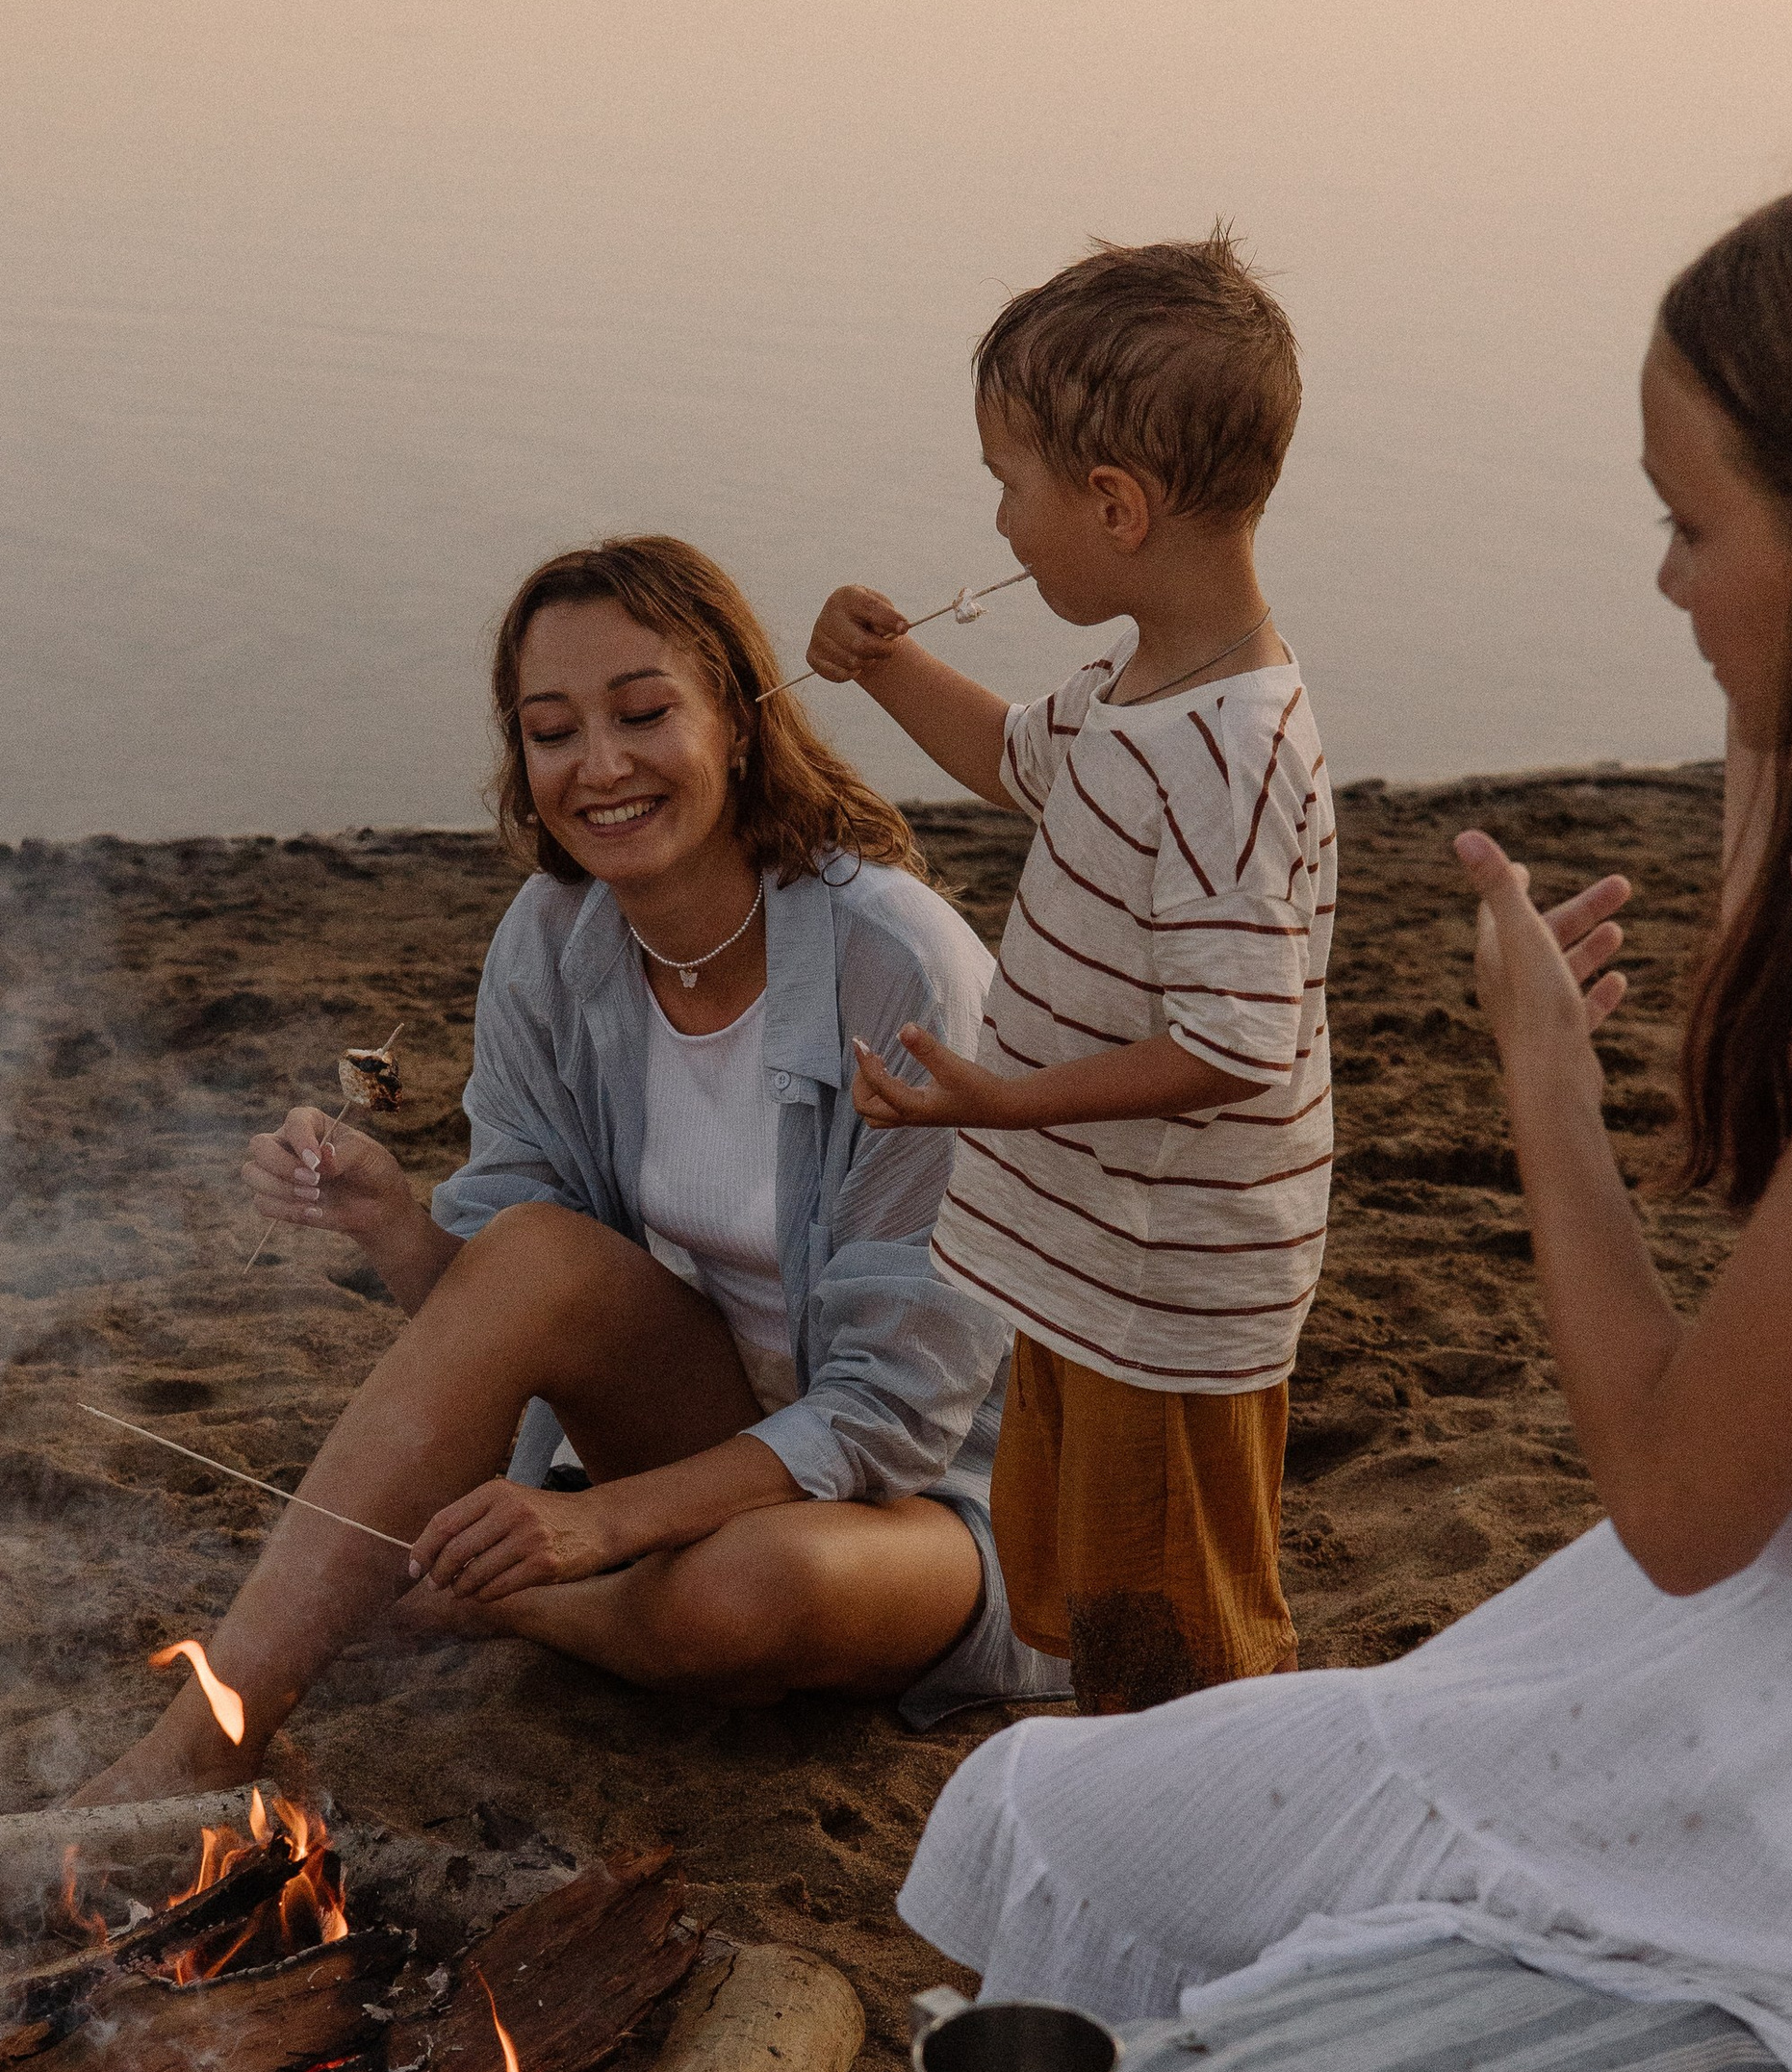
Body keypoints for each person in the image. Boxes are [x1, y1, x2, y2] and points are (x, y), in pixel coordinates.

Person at [899, 145, 1792, 2072]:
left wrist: (1535, 1085)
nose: (1661, 581)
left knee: (1045, 1819)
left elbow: (1683, 1505)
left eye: (1689, 527)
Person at [79, 537, 1064, 1805]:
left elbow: (891, 1419)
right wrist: (390, 1225)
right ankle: (206, 1738)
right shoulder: (554, 942)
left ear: (741, 720)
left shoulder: (898, 968)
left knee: (747, 1591)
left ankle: (511, 1606)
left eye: (645, 714)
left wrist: (588, 1528)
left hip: (947, 1497)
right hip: (708, 1428)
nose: (599, 767)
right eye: (552, 732)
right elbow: (508, 1306)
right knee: (533, 1243)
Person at [807, 234, 1337, 1714]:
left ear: (1114, 505)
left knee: (1176, 1633)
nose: (999, 517)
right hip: (1093, 1264)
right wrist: (887, 665)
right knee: (1089, 1590)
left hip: (1173, 1288)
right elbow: (1005, 760)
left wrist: (1003, 1097)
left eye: (1010, 484)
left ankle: (1198, 1847)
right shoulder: (1131, 689)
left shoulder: (1225, 758)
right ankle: (1125, 1801)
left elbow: (1235, 1044)